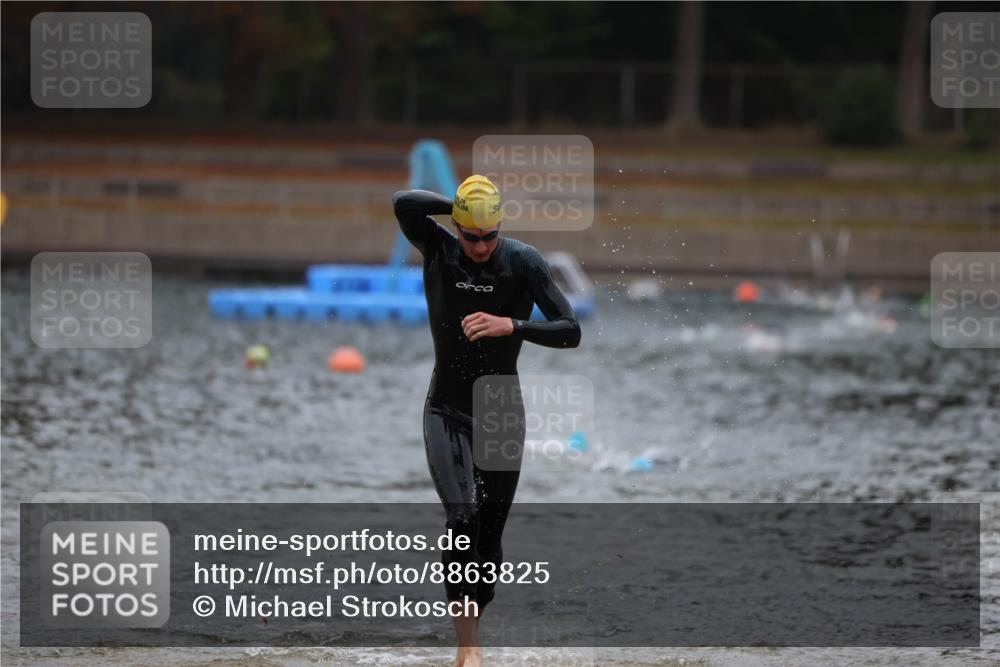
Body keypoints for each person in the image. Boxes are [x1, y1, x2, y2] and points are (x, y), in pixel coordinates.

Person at [393, 175, 580, 667]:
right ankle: (467, 648)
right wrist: (457, 202)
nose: (479, 246)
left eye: (489, 236)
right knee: (462, 517)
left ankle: (476, 628)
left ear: (500, 228)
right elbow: (405, 204)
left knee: (489, 538)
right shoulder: (438, 249)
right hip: (447, 407)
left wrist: (512, 325)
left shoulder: (522, 262)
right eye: (470, 235)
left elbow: (571, 329)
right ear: (455, 226)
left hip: (500, 409)